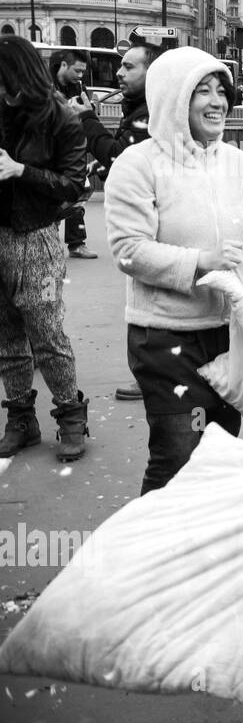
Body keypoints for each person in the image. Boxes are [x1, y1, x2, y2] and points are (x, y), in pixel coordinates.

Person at [105, 47, 243, 495]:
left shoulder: (236, 162)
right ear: (174, 98)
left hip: (227, 333)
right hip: (165, 338)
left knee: (218, 452)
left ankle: (204, 545)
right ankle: (154, 551)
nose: (218, 101)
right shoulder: (138, 165)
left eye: (220, 90)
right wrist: (200, 262)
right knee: (177, 454)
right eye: (202, 91)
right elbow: (128, 251)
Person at [0, 36, 91, 463]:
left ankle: (71, 416)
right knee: (6, 336)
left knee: (47, 334)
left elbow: (75, 184)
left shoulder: (60, 118)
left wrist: (21, 170)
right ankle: (21, 418)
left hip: (37, 237)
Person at [68, 42, 161, 403]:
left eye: (128, 66)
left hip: (147, 220)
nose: (119, 73)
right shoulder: (138, 108)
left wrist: (88, 119)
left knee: (146, 300)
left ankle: (152, 376)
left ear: (151, 73)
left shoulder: (149, 112)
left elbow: (121, 157)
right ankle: (152, 373)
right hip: (141, 216)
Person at [48, 49, 97, 260]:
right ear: (63, 66)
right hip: (48, 150)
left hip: (71, 148)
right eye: (77, 70)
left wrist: (88, 110)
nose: (80, 75)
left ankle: (76, 243)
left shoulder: (78, 86)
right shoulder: (44, 85)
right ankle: (49, 232)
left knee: (79, 191)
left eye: (83, 71)